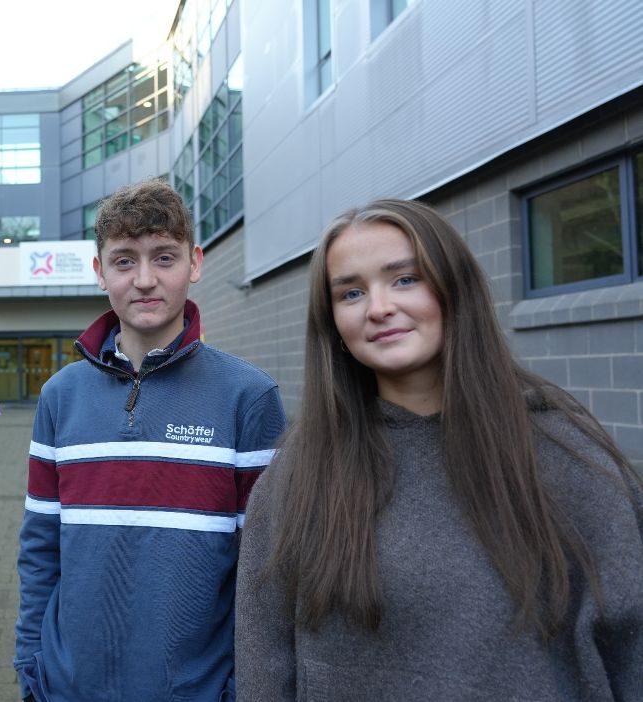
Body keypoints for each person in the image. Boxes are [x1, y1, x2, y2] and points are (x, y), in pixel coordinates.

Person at [235, 199, 643, 700]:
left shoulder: (564, 452)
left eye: (405, 279)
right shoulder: (297, 477)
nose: (379, 307)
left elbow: (629, 647)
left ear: (454, 288)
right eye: (352, 292)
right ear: (332, 323)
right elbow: (265, 665)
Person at [14, 179, 286, 702]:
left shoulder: (249, 397)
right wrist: (32, 664)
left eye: (164, 257)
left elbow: (265, 570)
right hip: (69, 686)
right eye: (123, 261)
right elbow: (40, 548)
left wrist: (244, 685)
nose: (144, 280)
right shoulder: (59, 397)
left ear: (195, 263)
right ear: (99, 272)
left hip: (196, 690)